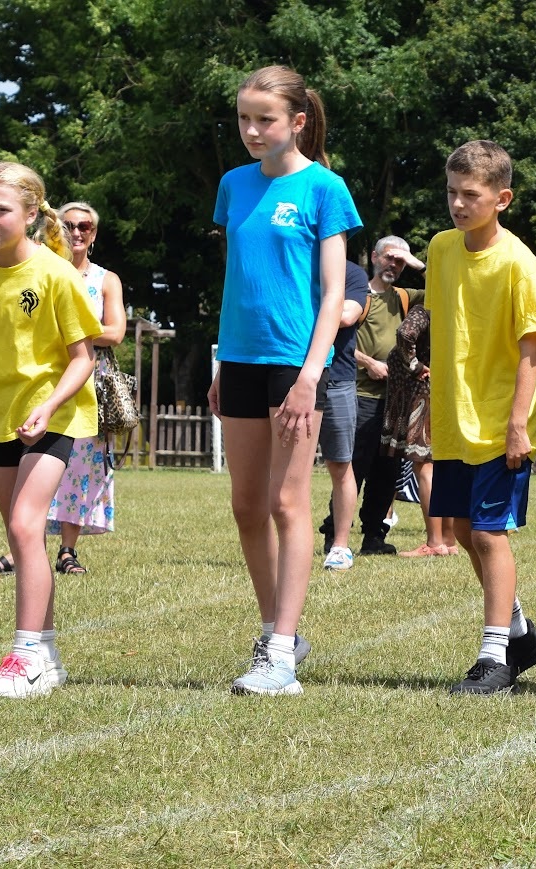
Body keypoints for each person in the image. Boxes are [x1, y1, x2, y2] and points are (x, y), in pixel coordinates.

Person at [210, 65, 361, 696]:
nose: (252, 130)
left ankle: (279, 658)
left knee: (286, 503)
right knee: (246, 506)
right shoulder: (233, 185)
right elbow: (238, 282)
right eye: (244, 118)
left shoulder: (325, 188)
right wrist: (222, 365)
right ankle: (277, 633)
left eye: (264, 119)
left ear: (297, 122)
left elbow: (333, 293)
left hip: (296, 365)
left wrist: (310, 375)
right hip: (240, 362)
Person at [0, 161, 102, 698]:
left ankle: (24, 656)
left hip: (56, 415)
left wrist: (50, 404)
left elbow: (83, 358)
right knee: (24, 534)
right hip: (1, 420)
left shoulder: (56, 274)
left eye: (1, 210)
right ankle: (47, 657)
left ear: (32, 213)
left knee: (23, 524)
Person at [427, 140, 536, 695]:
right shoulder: (440, 248)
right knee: (460, 528)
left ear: (502, 199)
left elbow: (532, 350)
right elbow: (446, 327)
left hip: (503, 421)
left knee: (487, 531)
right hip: (454, 418)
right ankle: (521, 632)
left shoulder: (518, 263)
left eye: (471, 195)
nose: (458, 203)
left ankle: (494, 656)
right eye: (452, 192)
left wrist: (518, 424)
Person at [35, 202, 127, 575]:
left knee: (79, 464)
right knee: (33, 460)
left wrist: (69, 330)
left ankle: (66, 550)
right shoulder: (39, 270)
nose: (75, 232)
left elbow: (115, 332)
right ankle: (24, 549)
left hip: (89, 382)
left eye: (84, 226)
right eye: (67, 225)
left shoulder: (105, 279)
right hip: (40, 376)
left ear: (93, 233)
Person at [335, 236, 423, 556]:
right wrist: (367, 362)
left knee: (388, 472)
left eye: (400, 261)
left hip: (395, 399)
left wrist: (418, 265)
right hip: (359, 394)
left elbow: (450, 292)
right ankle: (335, 534)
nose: (394, 265)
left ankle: (374, 536)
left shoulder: (405, 297)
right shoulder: (357, 295)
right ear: (374, 257)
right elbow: (331, 336)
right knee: (353, 469)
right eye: (389, 257)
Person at [381, 303, 453, 557]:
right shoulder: (454, 310)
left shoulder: (426, 309)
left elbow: (405, 333)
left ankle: (434, 543)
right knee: (445, 467)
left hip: (423, 397)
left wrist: (414, 365)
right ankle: (449, 540)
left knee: (425, 467)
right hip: (446, 394)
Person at [317, 258, 373, 571]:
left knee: (340, 464)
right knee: (284, 466)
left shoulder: (351, 273)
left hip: (337, 378)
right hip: (289, 373)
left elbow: (347, 315)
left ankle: (340, 546)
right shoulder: (293, 263)